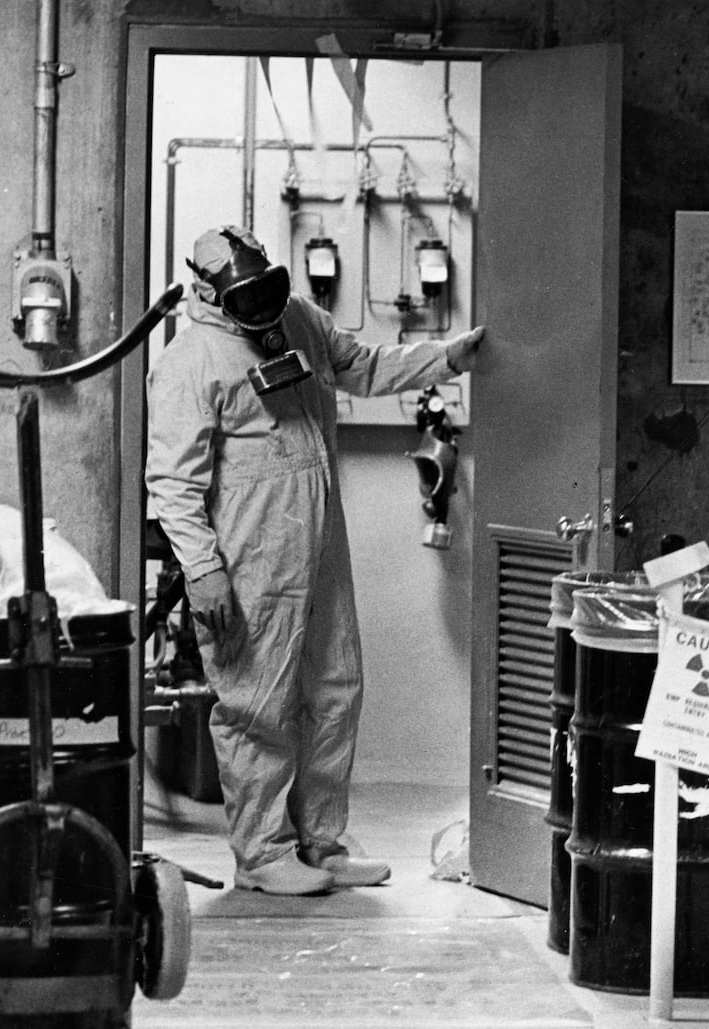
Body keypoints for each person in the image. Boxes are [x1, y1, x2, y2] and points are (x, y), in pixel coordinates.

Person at [145, 225, 483, 895]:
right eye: (248, 298)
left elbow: (364, 365)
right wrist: (204, 569)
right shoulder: (190, 361)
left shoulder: (297, 317)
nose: (265, 308)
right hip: (248, 553)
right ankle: (263, 853)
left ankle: (320, 842)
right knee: (257, 703)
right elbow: (173, 484)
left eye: (269, 290)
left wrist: (446, 359)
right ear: (212, 295)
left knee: (334, 688)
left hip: (319, 537)